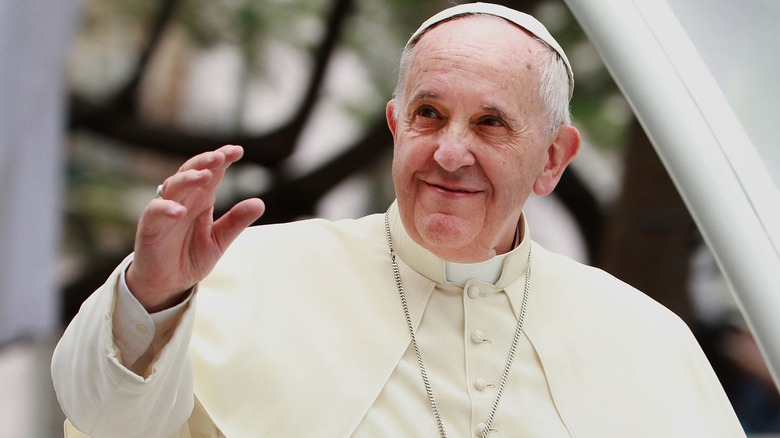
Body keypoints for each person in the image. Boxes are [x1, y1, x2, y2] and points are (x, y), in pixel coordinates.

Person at [52, 3, 746, 437]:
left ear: (553, 158)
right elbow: (108, 424)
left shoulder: (647, 339)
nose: (449, 153)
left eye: (491, 123)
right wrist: (150, 299)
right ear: (394, 126)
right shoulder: (243, 278)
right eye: (429, 115)